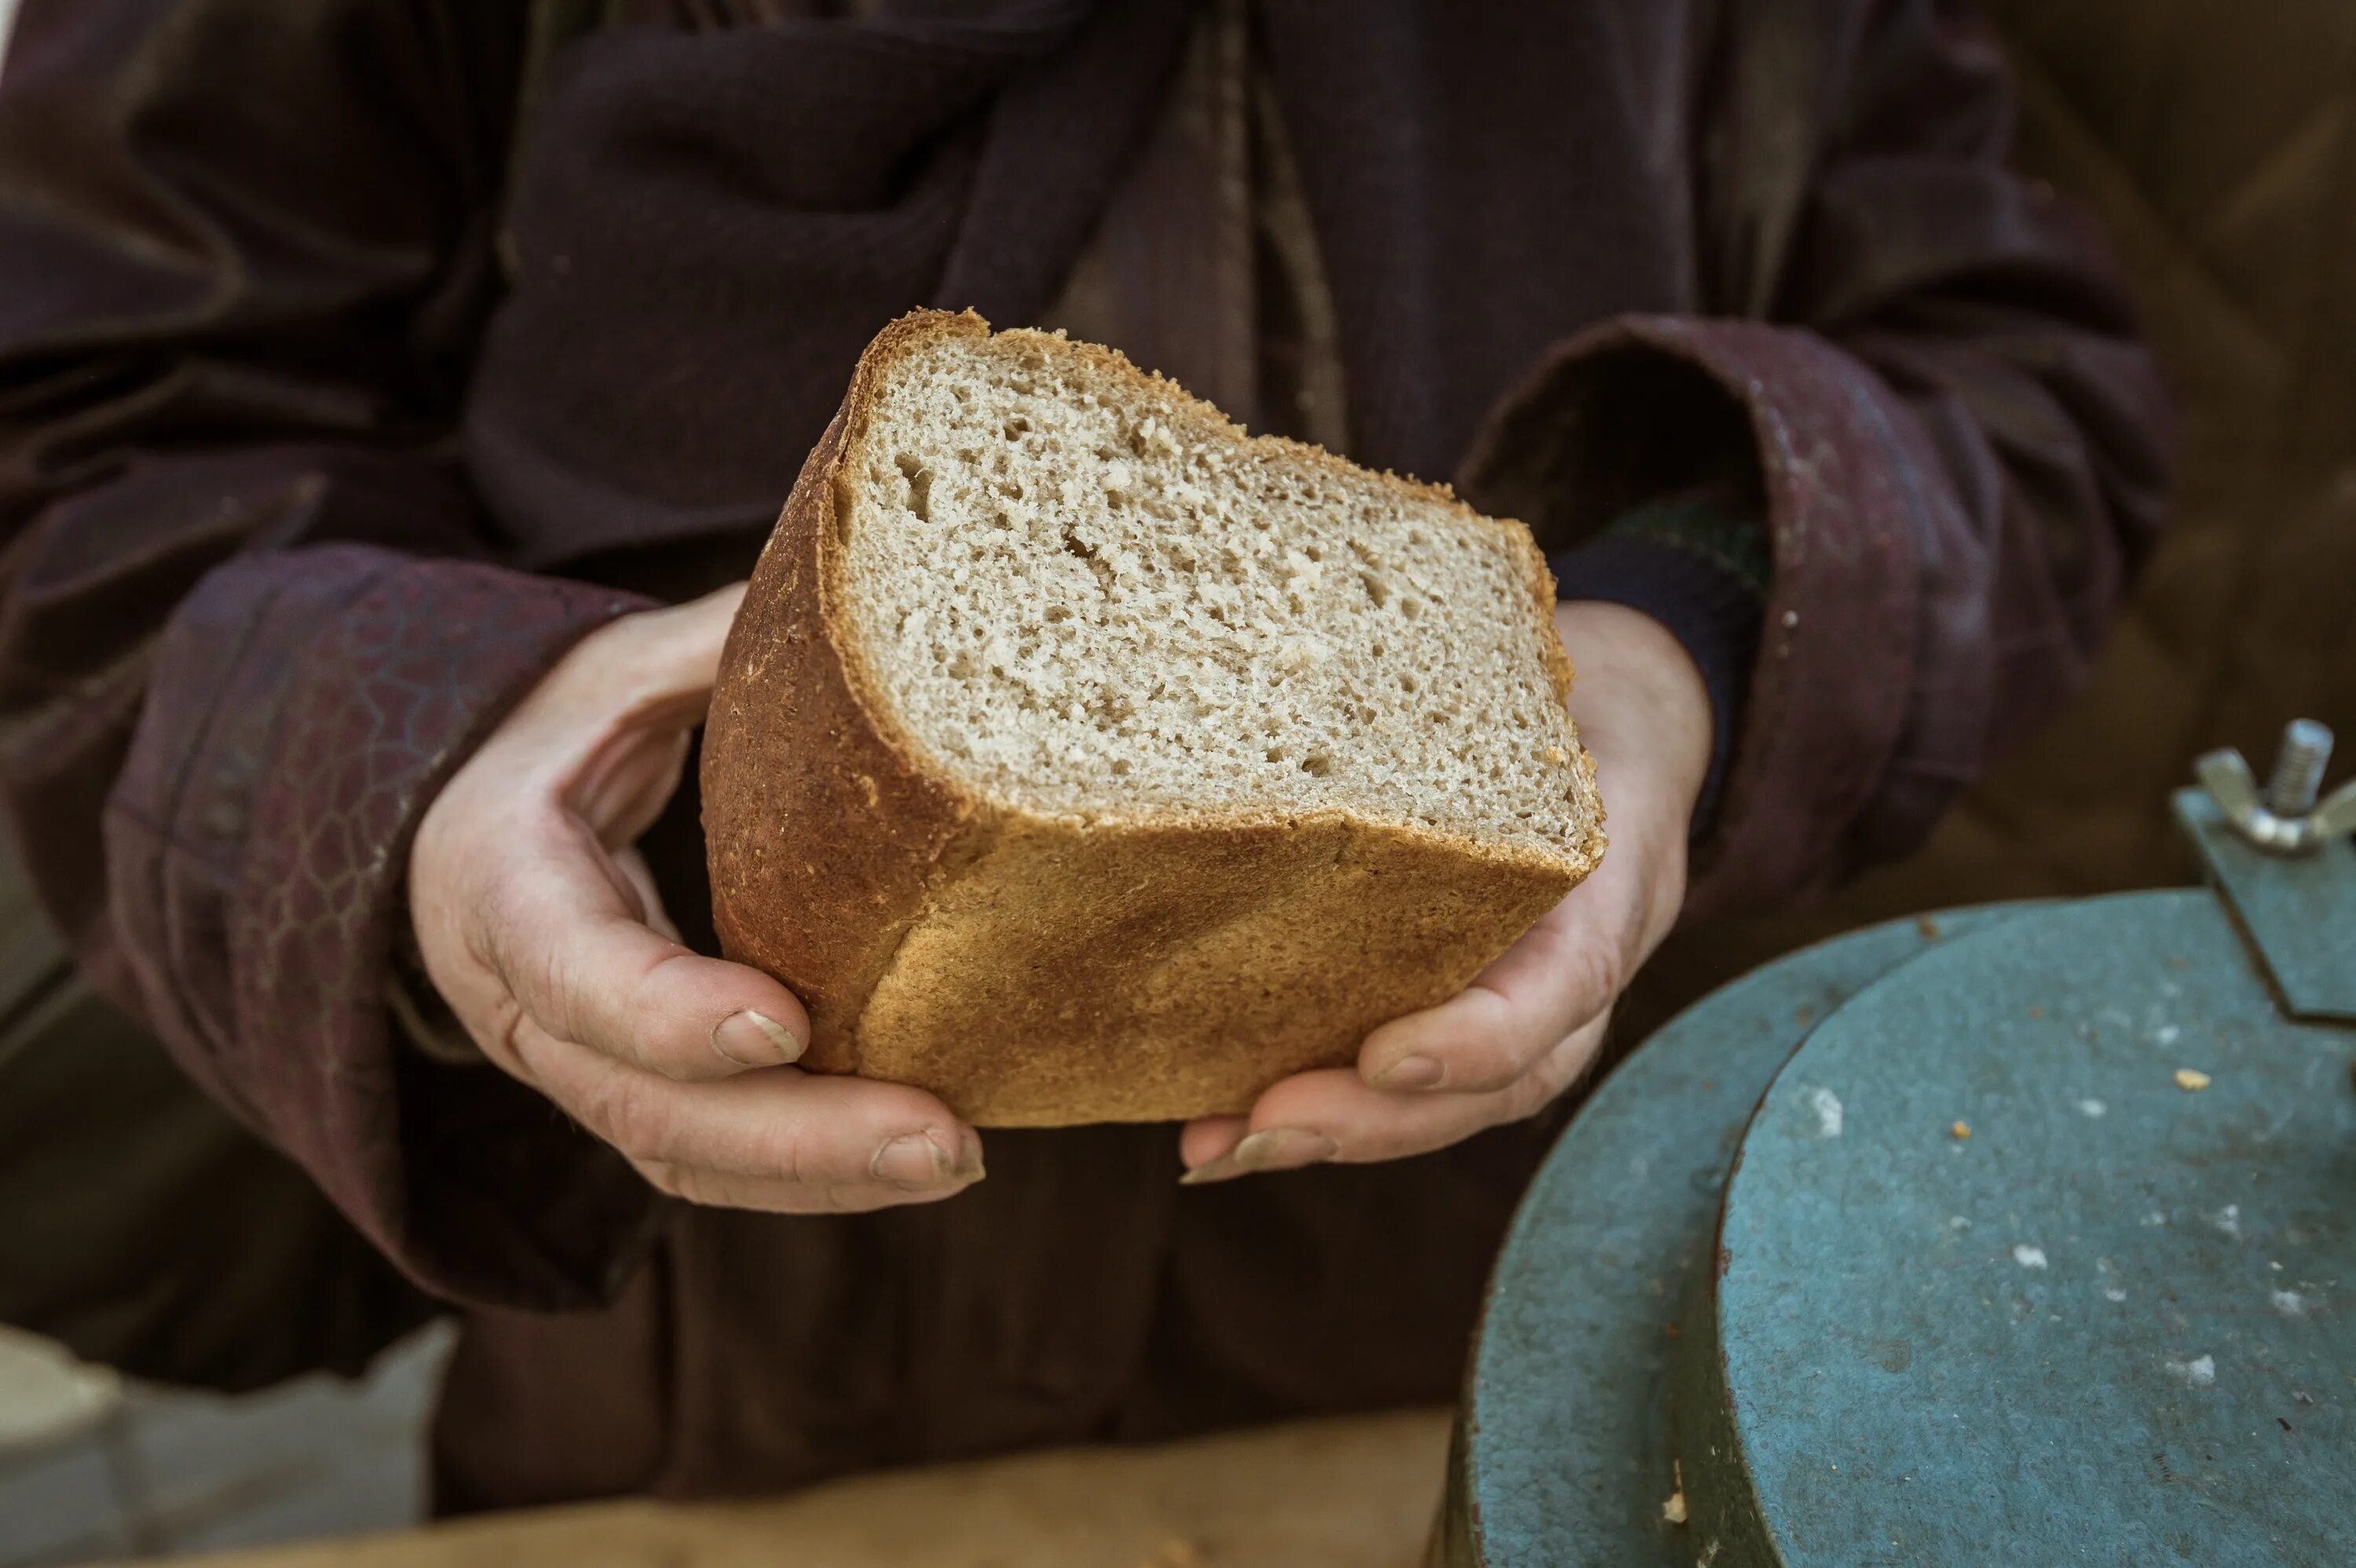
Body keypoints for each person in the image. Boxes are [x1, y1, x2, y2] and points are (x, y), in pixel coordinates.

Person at [0, 0, 2169, 1513]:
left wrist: (1687, 622)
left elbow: (2025, 381)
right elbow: (94, 452)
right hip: (707, 1380)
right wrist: (431, 761)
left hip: (1504, 1307)